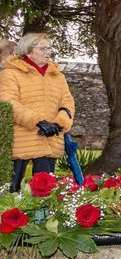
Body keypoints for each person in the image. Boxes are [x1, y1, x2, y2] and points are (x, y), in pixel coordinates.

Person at [0, 33, 75, 192]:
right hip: (22, 141)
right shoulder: (11, 73)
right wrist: (38, 121)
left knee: (44, 192)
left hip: (50, 139)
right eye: (42, 48)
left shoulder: (58, 76)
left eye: (49, 48)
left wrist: (58, 123)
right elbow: (8, 103)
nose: (48, 52)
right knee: (12, 191)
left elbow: (67, 103)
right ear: (28, 51)